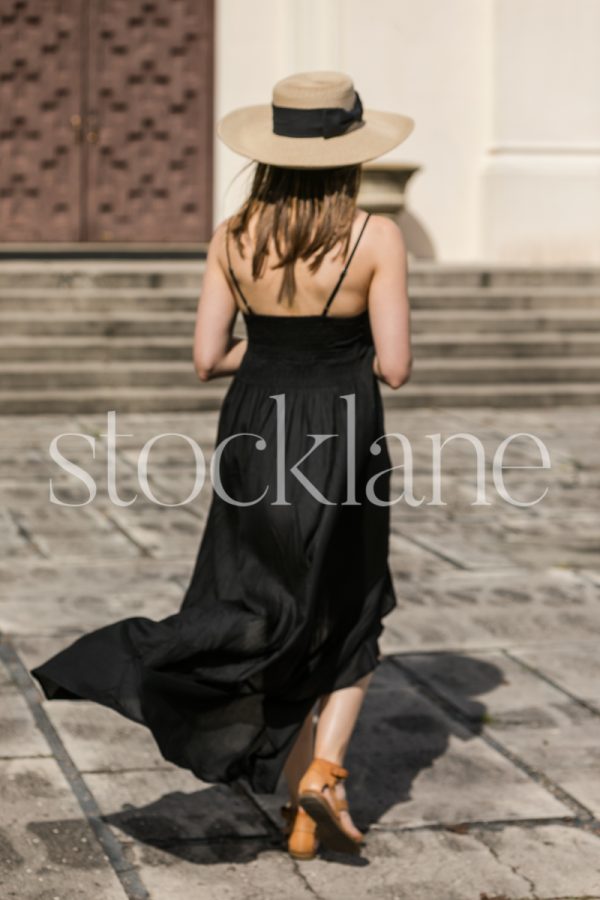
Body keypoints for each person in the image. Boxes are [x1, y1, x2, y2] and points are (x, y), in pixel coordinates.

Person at [31, 71, 414, 861]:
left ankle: (295, 784)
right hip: (341, 432)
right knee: (349, 600)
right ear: (349, 156)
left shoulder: (233, 234)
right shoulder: (377, 237)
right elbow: (398, 366)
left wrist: (273, 348)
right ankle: (321, 775)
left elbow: (208, 358)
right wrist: (333, 353)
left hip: (253, 430)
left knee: (262, 596)